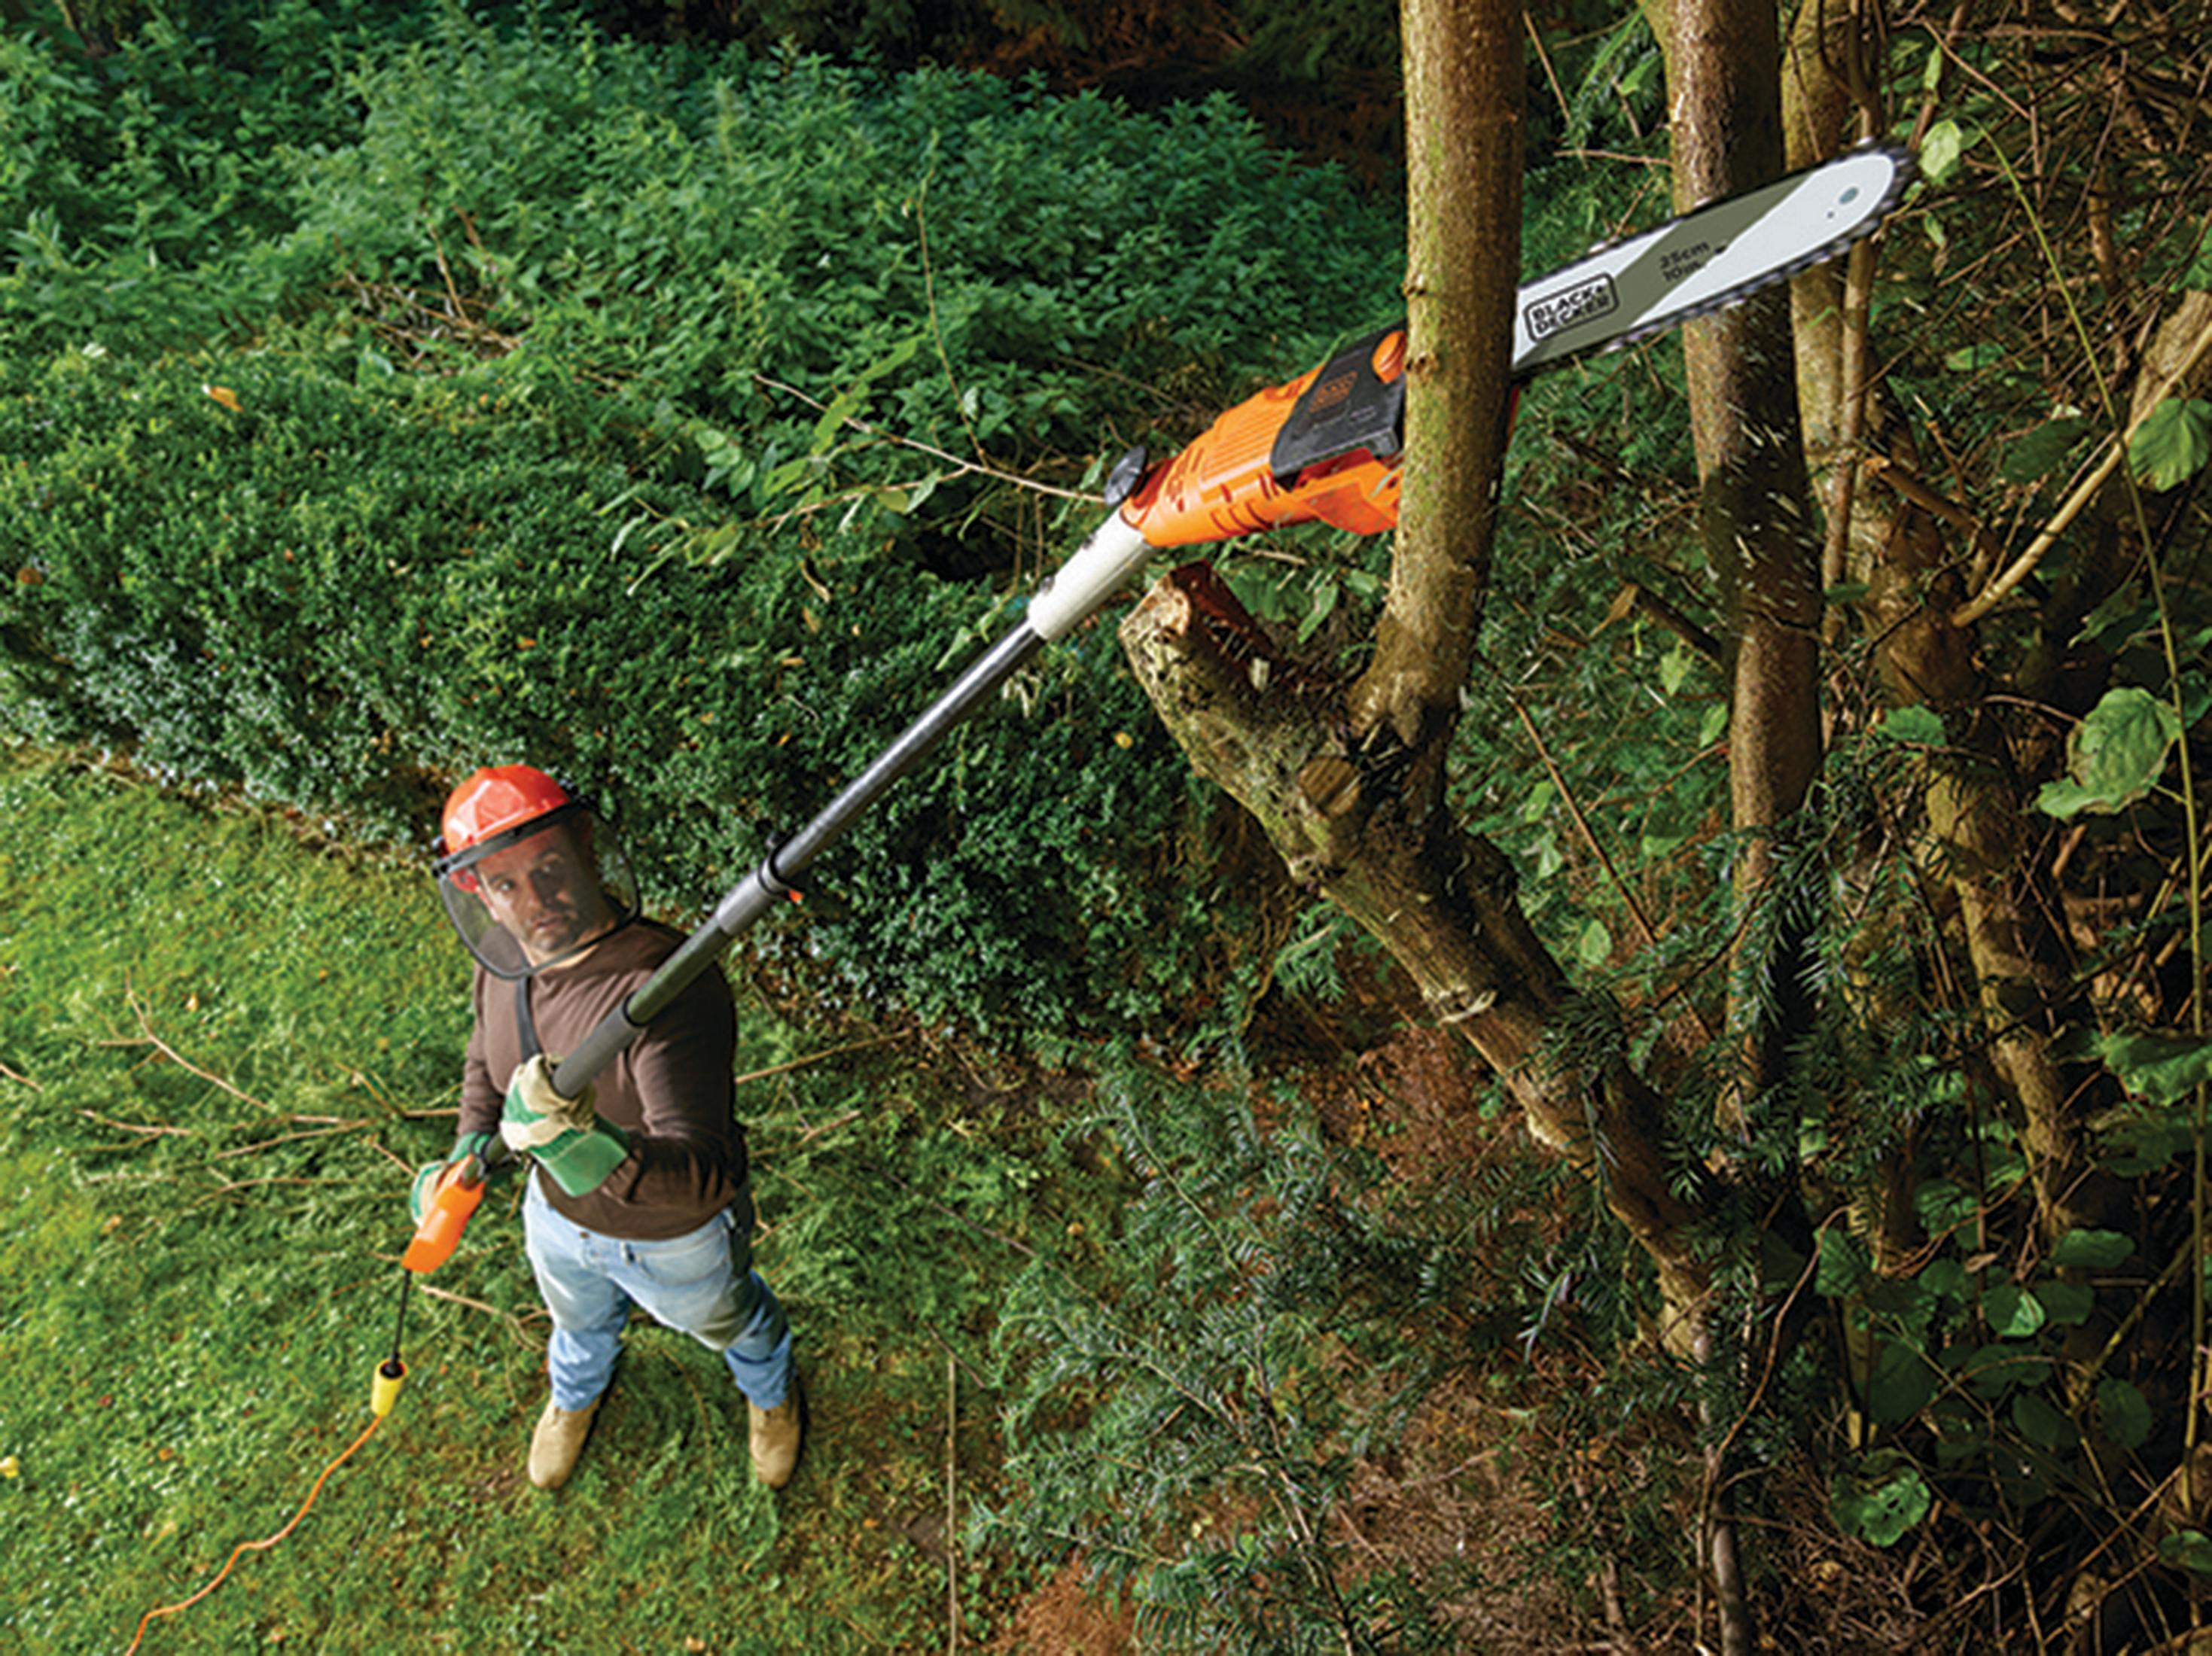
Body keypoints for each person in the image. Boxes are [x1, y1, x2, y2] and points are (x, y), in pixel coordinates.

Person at [410, 764, 802, 1491]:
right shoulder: (504, 966)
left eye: (551, 868)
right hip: (555, 1221)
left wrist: (582, 1149)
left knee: (735, 1322)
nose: (537, 902)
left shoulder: (663, 988)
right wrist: (469, 1142)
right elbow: (482, 1054)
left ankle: (771, 1392)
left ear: (587, 847)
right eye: (506, 885)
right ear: (479, 893)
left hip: (673, 1243)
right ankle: (573, 1397)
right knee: (579, 1325)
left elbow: (705, 1175)